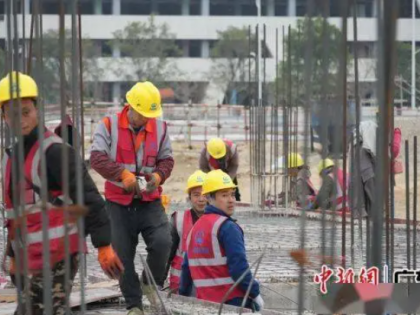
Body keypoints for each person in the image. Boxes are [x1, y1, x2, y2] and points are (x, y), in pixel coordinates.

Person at [0, 71, 123, 315]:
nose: (21, 120)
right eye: (13, 114)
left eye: (26, 112)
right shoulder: (11, 156)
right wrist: (13, 255)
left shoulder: (55, 152)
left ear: (37, 110)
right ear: (3, 116)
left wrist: (103, 245)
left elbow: (90, 197)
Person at [90, 80, 173, 315]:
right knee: (121, 255)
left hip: (149, 202)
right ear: (131, 107)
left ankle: (150, 284)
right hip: (118, 202)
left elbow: (167, 160)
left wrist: (158, 176)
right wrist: (122, 174)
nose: (147, 119)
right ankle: (134, 305)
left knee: (163, 242)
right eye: (143, 114)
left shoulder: (161, 128)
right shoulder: (108, 126)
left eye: (150, 114)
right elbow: (96, 158)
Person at [179, 170, 264, 312]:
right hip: (233, 303)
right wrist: (255, 293)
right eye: (224, 195)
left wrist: (182, 296)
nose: (231, 200)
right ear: (209, 198)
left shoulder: (194, 229)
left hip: (205, 305)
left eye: (232, 194)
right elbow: (239, 268)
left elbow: (186, 270)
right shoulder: (228, 227)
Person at [351, 108, 401, 216]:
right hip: (369, 156)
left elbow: (393, 150)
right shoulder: (371, 128)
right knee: (368, 180)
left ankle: (377, 212)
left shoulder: (392, 132)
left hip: (381, 164)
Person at [165, 170, 207, 294]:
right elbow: (167, 256)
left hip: (208, 289)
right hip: (180, 289)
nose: (201, 199)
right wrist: (158, 283)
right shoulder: (178, 220)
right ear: (189, 197)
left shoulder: (219, 222)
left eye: (204, 194)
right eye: (196, 195)